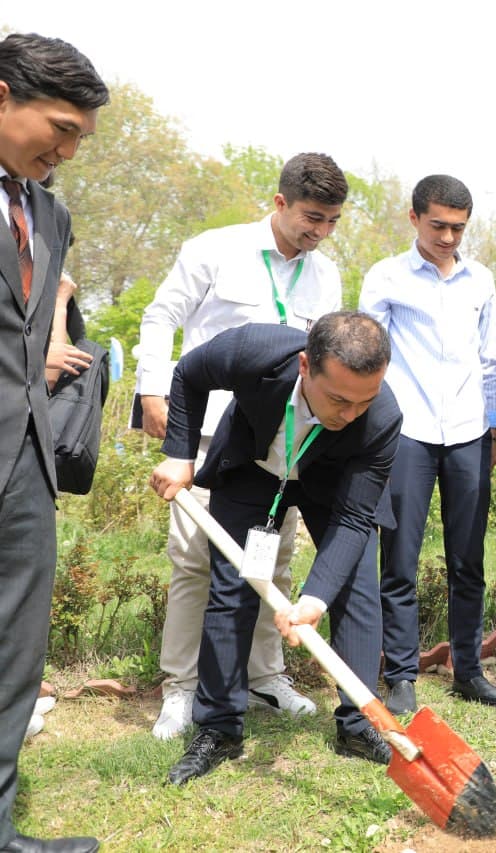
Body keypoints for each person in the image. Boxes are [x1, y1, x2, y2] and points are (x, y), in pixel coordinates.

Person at [136, 153, 347, 739]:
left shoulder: (325, 274)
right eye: (312, 218)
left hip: (282, 442)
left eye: (332, 222)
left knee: (272, 561)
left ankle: (264, 676)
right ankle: (181, 688)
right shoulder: (215, 249)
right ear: (279, 203)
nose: (320, 233)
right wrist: (153, 389)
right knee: (196, 562)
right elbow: (161, 316)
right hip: (208, 434)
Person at [149, 313, 401, 784]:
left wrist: (314, 599)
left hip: (335, 487)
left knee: (357, 587)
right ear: (306, 365)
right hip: (254, 470)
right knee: (233, 590)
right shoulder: (254, 351)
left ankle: (358, 724)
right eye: (339, 400)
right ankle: (220, 727)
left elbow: (352, 519)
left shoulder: (382, 416)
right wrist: (180, 454)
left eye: (362, 402)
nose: (349, 415)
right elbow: (189, 374)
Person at [0, 31, 108, 853]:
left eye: (79, 138)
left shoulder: (51, 212)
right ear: (4, 96)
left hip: (24, 462)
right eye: (61, 128)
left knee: (14, 656)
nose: (68, 151)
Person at [358, 175, 496, 712]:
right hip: (408, 434)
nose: (449, 238)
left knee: (468, 560)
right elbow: (366, 360)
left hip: (469, 432)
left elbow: (490, 357)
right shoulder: (386, 277)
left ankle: (468, 669)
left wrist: (493, 427)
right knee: (399, 560)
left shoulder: (480, 279)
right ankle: (400, 674)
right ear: (414, 218)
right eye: (439, 226)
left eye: (459, 228)